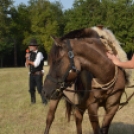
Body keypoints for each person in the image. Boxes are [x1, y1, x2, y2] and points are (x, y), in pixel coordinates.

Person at [25, 38, 47, 105]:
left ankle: (44, 101)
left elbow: (36, 64)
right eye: (30, 46)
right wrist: (27, 58)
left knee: (40, 88)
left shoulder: (39, 54)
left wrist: (29, 61)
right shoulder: (30, 54)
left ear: (35, 46)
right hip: (31, 74)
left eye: (32, 46)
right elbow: (26, 65)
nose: (30, 47)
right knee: (31, 89)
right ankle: (33, 102)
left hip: (38, 74)